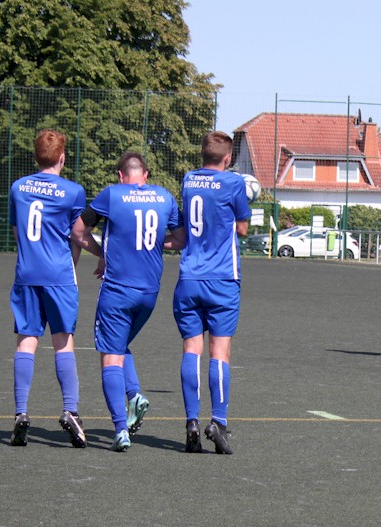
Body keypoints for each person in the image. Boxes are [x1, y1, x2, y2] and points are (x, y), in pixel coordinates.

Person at [76, 152, 184, 451]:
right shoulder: (164, 197)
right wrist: (154, 242)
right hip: (149, 293)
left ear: (121, 176)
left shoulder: (112, 195)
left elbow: (78, 230)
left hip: (117, 290)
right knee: (120, 345)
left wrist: (101, 255)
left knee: (110, 355)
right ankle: (135, 394)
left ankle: (121, 429)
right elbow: (181, 238)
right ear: (145, 176)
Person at [8, 129, 100, 448]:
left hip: (27, 274)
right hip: (59, 276)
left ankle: (21, 414)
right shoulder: (73, 191)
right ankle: (70, 411)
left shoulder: (18, 188)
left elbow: (20, 233)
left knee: (26, 342)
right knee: (63, 344)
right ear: (62, 157)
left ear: (36, 157)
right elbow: (78, 235)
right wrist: (103, 255)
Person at [174, 131, 252, 455]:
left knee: (192, 348)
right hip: (222, 278)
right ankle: (217, 422)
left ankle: (191, 421)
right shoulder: (234, 183)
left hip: (189, 276)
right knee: (219, 352)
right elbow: (243, 228)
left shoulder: (189, 180)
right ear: (228, 158)